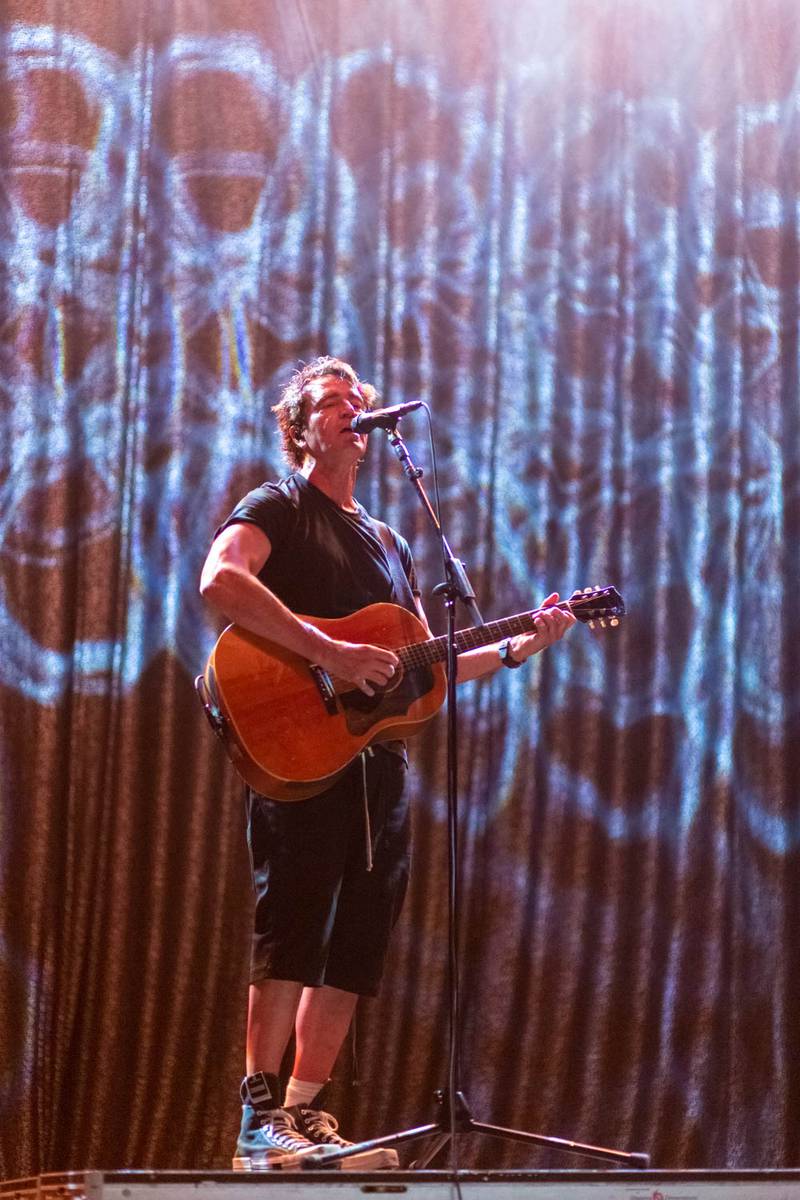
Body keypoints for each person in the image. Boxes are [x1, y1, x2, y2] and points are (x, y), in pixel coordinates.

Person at [199, 356, 576, 1170]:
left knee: (359, 939)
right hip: (298, 753)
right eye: (335, 402)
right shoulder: (279, 506)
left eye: (360, 404)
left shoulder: (389, 538)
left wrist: (517, 647)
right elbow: (221, 581)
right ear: (300, 425)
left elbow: (417, 663)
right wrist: (328, 650)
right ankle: (254, 1123)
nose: (354, 413)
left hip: (378, 767)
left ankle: (304, 1113)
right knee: (292, 927)